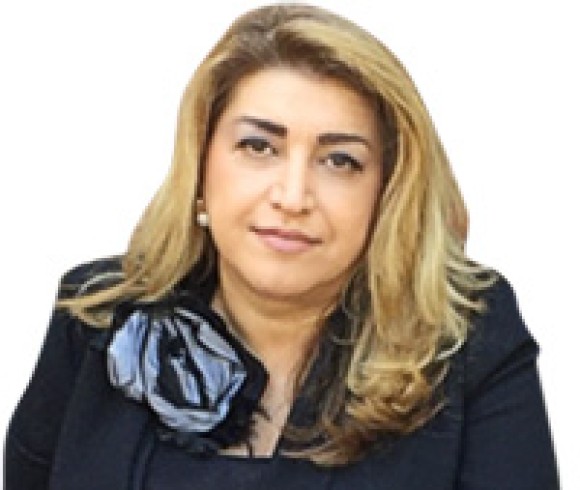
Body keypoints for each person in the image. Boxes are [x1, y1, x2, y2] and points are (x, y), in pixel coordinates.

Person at [4, 3, 559, 489]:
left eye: (339, 161)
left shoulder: (466, 338)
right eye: (259, 147)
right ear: (201, 166)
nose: (292, 197)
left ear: (387, 192)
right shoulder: (96, 316)